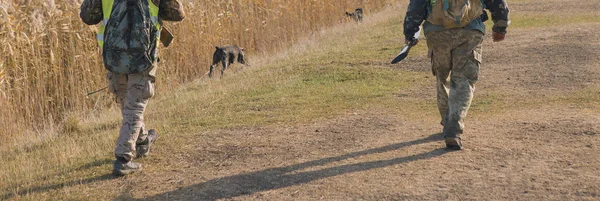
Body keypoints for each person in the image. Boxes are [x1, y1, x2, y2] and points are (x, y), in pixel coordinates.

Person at [79, 0, 185, 176]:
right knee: (134, 105)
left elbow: (88, 17)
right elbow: (177, 14)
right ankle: (123, 157)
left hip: (114, 55)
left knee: (126, 102)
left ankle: (142, 141)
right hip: (143, 54)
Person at [403, 0, 510, 150]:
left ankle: (448, 123)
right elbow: (497, 2)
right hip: (470, 31)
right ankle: (453, 127)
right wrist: (500, 26)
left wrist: (409, 31)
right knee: (464, 79)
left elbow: (416, 6)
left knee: (442, 78)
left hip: (437, 32)